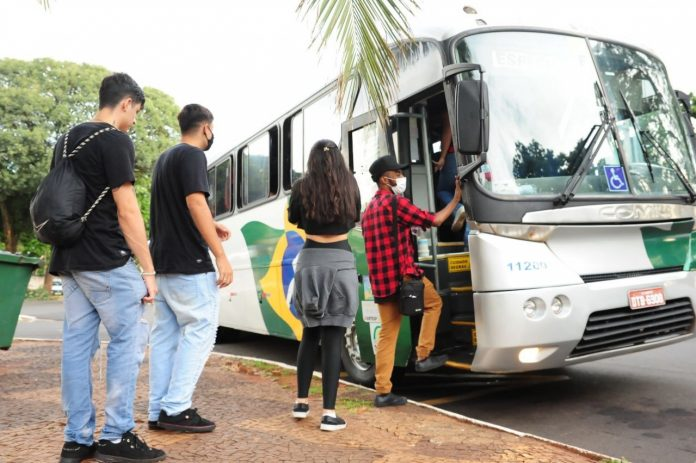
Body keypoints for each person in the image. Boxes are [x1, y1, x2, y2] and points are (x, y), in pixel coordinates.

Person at [51, 73, 166, 463]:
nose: (133, 122)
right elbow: (128, 209)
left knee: (77, 347)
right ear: (127, 103)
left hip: (69, 261)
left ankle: (77, 439)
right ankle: (117, 435)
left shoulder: (66, 139)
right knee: (128, 342)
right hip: (105, 259)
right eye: (136, 113)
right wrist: (148, 270)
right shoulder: (115, 140)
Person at [147, 104, 233, 433]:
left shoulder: (165, 159)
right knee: (200, 333)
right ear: (206, 128)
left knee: (166, 337)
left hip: (164, 263)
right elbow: (195, 201)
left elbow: (178, 208)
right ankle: (177, 406)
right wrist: (220, 255)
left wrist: (211, 224)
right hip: (190, 263)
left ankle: (158, 409)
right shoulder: (194, 156)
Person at [361, 155, 461, 407]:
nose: (401, 177)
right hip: (404, 280)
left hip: (382, 285)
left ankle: (383, 391)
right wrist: (457, 198)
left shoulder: (368, 210)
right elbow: (435, 220)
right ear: (386, 179)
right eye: (397, 173)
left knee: (388, 334)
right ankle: (424, 355)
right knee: (434, 303)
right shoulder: (395, 203)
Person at [288, 139, 361, 432]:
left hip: (310, 259)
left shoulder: (301, 187)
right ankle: (329, 413)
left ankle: (301, 402)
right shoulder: (350, 184)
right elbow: (355, 217)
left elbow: (295, 219)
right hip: (341, 260)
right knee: (333, 338)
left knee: (309, 333)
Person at [433, 110, 468, 238]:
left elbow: (448, 132)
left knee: (442, 190)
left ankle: (457, 208)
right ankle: (468, 246)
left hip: (453, 156)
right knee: (471, 202)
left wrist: (442, 157)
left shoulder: (449, 110)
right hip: (471, 158)